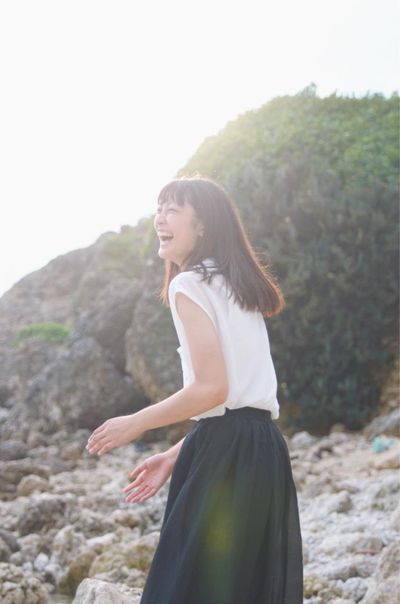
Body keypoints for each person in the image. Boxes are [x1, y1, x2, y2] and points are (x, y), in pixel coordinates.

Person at [86, 176, 304, 603]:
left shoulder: (188, 284)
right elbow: (240, 404)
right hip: (262, 449)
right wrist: (173, 454)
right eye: (159, 210)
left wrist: (136, 422)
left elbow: (212, 390)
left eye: (172, 211)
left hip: (226, 457)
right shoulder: (234, 284)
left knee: (184, 591)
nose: (160, 220)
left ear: (202, 225)